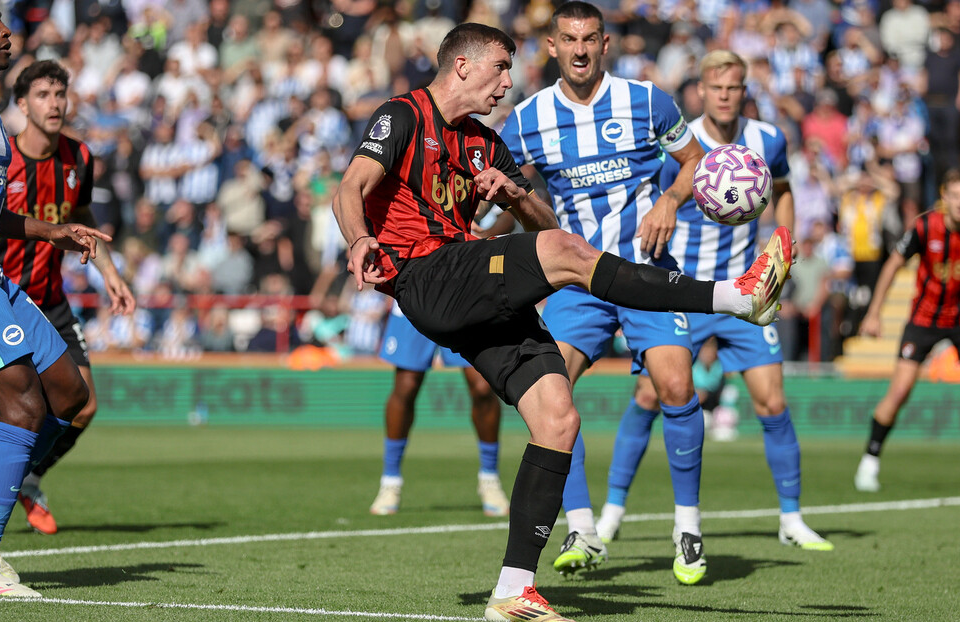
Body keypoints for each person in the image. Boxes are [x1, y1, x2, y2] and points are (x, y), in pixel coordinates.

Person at [332, 22, 790, 622]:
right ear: (463, 66)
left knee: (557, 416)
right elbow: (350, 187)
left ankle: (513, 589)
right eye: (500, 67)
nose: (507, 81)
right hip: (426, 275)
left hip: (464, 290)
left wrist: (514, 197)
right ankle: (734, 296)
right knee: (573, 256)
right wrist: (360, 236)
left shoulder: (486, 145)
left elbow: (542, 223)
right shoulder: (403, 114)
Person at [499, 1, 714, 586]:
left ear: (605, 43)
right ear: (551, 46)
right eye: (568, 39)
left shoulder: (648, 101)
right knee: (550, 394)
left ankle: (687, 527)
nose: (580, 49)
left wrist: (670, 200)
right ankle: (583, 529)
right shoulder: (525, 121)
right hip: (576, 280)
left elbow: (694, 161)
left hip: (644, 270)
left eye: (590, 38)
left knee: (676, 384)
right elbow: (509, 199)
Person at [590, 50, 833, 554]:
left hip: (745, 294)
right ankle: (612, 511)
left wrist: (781, 245)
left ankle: (791, 518)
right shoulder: (677, 146)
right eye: (716, 88)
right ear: (701, 90)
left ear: (745, 90)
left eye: (735, 87)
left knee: (773, 400)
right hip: (684, 289)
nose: (725, 96)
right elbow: (651, 205)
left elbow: (783, 188)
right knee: (650, 397)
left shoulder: (768, 138)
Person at [0, 1, 113, 597]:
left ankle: (16, 485)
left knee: (70, 391)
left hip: (6, 282)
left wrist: (52, 231)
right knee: (18, 407)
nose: (5, 31)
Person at [0, 59, 136, 536]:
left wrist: (110, 275)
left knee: (83, 402)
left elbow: (82, 212)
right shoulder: (2, 153)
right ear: (24, 104)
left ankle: (28, 476)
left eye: (60, 94)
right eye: (44, 95)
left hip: (49, 299)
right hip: (1, 290)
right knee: (0, 403)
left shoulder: (78, 158)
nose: (55, 104)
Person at [853, 169, 960, 494]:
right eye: (955, 196)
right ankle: (868, 463)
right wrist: (874, 313)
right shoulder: (924, 226)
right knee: (899, 391)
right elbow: (892, 265)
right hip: (924, 318)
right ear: (945, 197)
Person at [369, 305, 510, 517]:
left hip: (464, 296)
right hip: (415, 292)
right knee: (406, 387)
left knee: (482, 387)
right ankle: (390, 481)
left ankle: (489, 479)